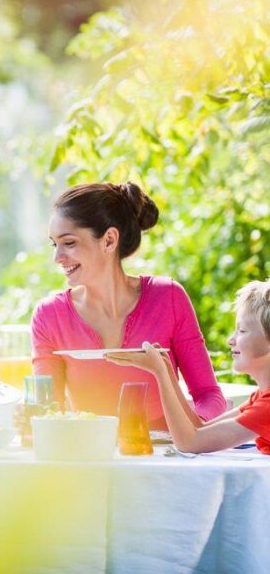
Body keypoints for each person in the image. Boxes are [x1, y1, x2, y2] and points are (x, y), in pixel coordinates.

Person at [31, 182, 227, 428]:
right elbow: (48, 409)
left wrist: (196, 429)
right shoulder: (50, 316)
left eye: (69, 243)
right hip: (91, 460)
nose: (57, 257)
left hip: (169, 459)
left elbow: (209, 394)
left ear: (109, 240)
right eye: (54, 244)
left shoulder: (168, 298)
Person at [106, 280, 270, 453]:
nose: (231, 340)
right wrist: (168, 373)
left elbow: (190, 443)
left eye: (242, 331)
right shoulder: (260, 398)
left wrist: (159, 373)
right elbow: (199, 427)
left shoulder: (266, 408)